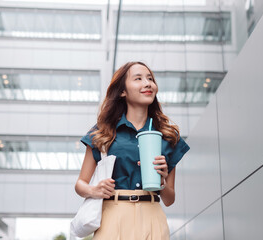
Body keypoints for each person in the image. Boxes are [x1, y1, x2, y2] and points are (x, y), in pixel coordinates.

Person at [75, 61, 190, 240]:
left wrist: (161, 182)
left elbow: (169, 199)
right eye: (138, 79)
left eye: (150, 79)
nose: (147, 83)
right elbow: (80, 184)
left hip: (152, 218)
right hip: (112, 217)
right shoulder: (103, 132)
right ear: (122, 91)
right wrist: (95, 190)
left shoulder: (167, 136)